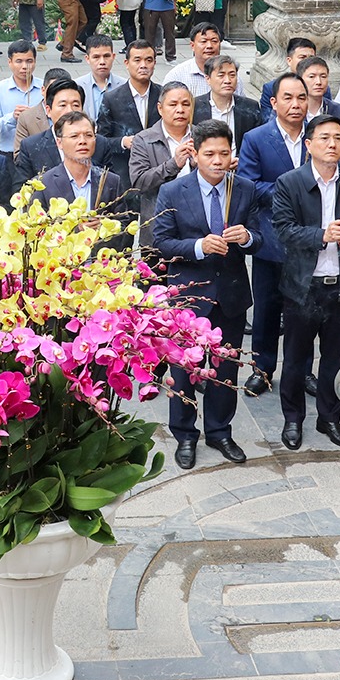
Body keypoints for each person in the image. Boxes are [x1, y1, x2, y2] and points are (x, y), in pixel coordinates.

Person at [152, 121, 256, 467]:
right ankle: (184, 434)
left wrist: (248, 238)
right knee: (182, 369)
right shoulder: (173, 192)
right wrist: (197, 246)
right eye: (209, 154)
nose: (217, 161)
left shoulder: (243, 189)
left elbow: (264, 236)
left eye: (224, 153)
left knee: (226, 369)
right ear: (193, 154)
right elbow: (161, 243)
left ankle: (219, 431)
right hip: (189, 297)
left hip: (231, 294)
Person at [272, 112, 340, 449]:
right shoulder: (290, 182)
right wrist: (322, 234)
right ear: (309, 144)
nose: (333, 144)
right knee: (296, 358)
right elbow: (284, 230)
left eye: (339, 139)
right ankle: (292, 419)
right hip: (304, 286)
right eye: (325, 138)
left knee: (334, 358)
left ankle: (329, 418)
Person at [234, 73, 313, 395]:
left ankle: (303, 370)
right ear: (274, 103)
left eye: (301, 98)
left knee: (306, 311)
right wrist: (295, 191)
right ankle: (262, 369)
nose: (296, 105)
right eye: (289, 98)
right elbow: (249, 183)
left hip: (311, 238)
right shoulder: (256, 138)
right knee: (266, 310)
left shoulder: (321, 134)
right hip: (271, 237)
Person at [129, 81, 199, 229]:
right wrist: (173, 165)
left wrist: (198, 166)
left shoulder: (202, 136)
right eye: (173, 105)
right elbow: (139, 183)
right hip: (159, 224)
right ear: (160, 108)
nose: (180, 110)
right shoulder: (144, 139)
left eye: (186, 104)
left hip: (197, 223)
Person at [0, 41, 44, 155]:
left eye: (29, 61)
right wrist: (12, 117)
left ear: (35, 61)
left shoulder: (44, 89)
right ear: (9, 62)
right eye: (19, 61)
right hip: (10, 152)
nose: (24, 67)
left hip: (40, 151)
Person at [99, 42, 162, 150]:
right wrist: (123, 142)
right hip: (125, 163)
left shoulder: (164, 95)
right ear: (127, 63)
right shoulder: (112, 99)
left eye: (149, 60)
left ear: (154, 63)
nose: (143, 65)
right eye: (137, 60)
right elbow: (101, 140)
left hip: (160, 163)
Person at [195, 54, 262, 150]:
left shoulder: (250, 107)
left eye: (232, 75)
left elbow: (257, 143)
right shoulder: (195, 106)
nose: (227, 81)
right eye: (221, 75)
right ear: (208, 79)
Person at [164, 21, 229, 103]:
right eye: (203, 41)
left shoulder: (230, 76)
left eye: (214, 41)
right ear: (192, 46)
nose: (209, 46)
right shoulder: (177, 76)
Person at [78, 35, 118, 123]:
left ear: (113, 56)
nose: (102, 62)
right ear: (87, 59)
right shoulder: (77, 86)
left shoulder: (125, 85)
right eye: (96, 57)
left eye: (106, 56)